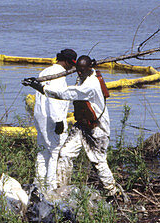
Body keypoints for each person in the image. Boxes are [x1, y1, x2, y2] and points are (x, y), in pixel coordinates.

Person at [42, 54, 120, 197]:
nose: (79, 73)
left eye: (82, 70)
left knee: (98, 161)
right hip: (82, 125)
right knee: (65, 153)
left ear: (88, 68)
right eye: (78, 70)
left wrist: (44, 89)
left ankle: (112, 193)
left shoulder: (91, 85)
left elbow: (68, 93)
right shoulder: (87, 74)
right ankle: (62, 190)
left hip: (97, 128)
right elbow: (84, 74)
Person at [31, 48, 76, 196]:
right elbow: (54, 99)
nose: (72, 68)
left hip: (40, 115)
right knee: (54, 151)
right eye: (71, 64)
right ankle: (50, 188)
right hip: (51, 116)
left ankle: (38, 184)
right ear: (67, 62)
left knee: (43, 149)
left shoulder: (45, 71)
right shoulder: (58, 77)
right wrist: (58, 121)